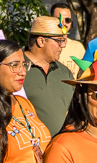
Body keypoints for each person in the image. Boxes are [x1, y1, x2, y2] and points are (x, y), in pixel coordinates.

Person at [21, 16, 78, 144]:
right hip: (28, 155)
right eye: (59, 41)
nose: (63, 46)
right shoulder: (16, 68)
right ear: (41, 41)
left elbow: (74, 109)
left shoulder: (64, 71)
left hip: (61, 151)